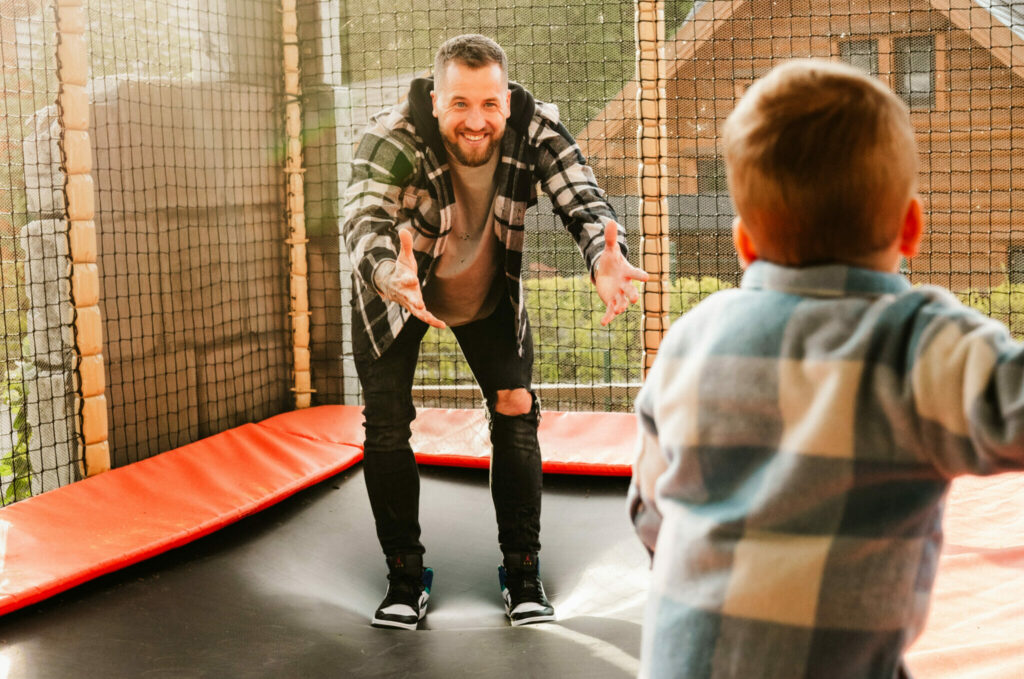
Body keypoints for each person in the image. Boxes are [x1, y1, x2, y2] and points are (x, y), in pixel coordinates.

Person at [629, 58, 1024, 678]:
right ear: (911, 227)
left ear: (744, 242)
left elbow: (649, 512)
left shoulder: (691, 339)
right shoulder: (917, 342)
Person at [343, 34, 648, 630]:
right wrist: (385, 271)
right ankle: (404, 577)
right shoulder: (391, 137)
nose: (476, 120)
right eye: (459, 104)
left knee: (515, 404)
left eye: (488, 104)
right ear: (436, 100)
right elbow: (363, 214)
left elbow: (582, 199)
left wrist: (603, 257)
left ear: (506, 100)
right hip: (399, 290)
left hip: (484, 292)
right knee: (385, 421)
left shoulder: (536, 130)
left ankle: (522, 571)